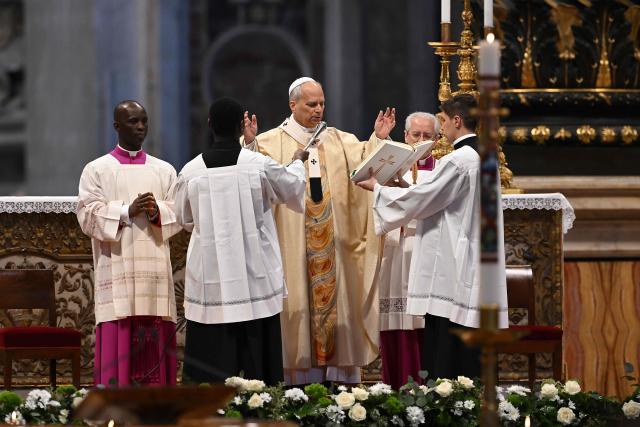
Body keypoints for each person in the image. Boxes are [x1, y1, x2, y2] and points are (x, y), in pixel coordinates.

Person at [242, 77, 396, 384]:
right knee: (297, 309)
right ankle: (298, 385)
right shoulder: (272, 143)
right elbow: (252, 175)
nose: (318, 109)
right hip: (293, 249)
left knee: (339, 311)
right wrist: (249, 144)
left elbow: (365, 162)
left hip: (335, 249)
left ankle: (340, 381)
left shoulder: (338, 140)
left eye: (322, 103)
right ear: (293, 105)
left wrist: (378, 139)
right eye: (311, 104)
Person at [356, 94, 508, 379]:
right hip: (473, 261)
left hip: (453, 266)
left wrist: (378, 189)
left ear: (458, 121)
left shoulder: (460, 160)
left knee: (448, 353)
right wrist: (403, 186)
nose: (444, 127)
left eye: (445, 121)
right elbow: (437, 197)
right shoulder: (484, 156)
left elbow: (424, 201)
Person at [173, 97, 308, 384]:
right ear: (240, 127)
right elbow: (293, 188)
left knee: (210, 366)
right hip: (253, 276)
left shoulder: (191, 171)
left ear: (210, 125)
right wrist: (297, 162)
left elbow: (183, 218)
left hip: (212, 279)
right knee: (258, 362)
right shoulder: (258, 165)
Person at [77, 100, 182, 386]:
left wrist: (156, 211)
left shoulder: (164, 171)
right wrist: (126, 211)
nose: (140, 127)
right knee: (119, 328)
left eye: (144, 121)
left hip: (154, 274)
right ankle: (116, 406)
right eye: (133, 121)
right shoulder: (97, 170)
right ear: (116, 126)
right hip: (117, 268)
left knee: (155, 331)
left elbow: (180, 213)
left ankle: (159, 406)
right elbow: (87, 215)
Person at [377, 112, 439, 389]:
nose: (422, 141)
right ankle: (395, 382)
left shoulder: (443, 169)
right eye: (416, 135)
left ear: (437, 140)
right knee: (396, 317)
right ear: (405, 136)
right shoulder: (392, 167)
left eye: (428, 136)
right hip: (396, 250)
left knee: (421, 322)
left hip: (425, 250)